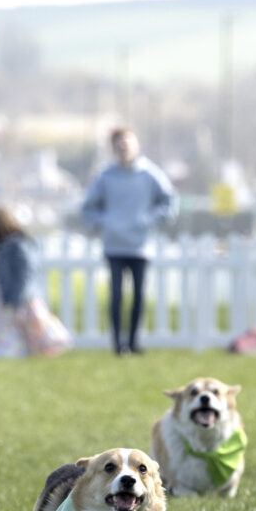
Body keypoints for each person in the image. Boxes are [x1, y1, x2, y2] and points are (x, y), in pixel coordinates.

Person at [81, 127, 177, 356]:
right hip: (114, 246)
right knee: (116, 296)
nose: (123, 149)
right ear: (113, 149)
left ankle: (134, 342)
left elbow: (169, 203)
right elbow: (88, 208)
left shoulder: (150, 174)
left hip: (140, 247)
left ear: (136, 145)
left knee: (139, 296)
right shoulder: (105, 176)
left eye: (127, 143)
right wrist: (105, 222)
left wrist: (148, 219)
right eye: (119, 145)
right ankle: (118, 344)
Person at [0, 207, 71, 358]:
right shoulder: (1, 247)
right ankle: (9, 353)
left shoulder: (17, 244)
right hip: (4, 297)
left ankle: (25, 353)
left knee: (30, 328)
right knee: (11, 329)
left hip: (20, 297)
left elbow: (25, 272)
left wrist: (16, 298)